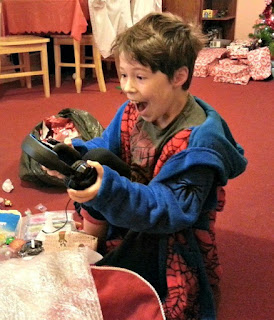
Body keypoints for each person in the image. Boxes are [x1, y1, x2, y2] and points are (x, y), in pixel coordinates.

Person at [49, 12, 248, 320]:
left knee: (140, 297)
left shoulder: (199, 146)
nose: (127, 87)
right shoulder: (133, 110)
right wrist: (74, 155)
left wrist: (110, 192)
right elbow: (106, 146)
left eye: (139, 77)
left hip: (169, 231)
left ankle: (106, 258)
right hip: (135, 202)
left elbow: (172, 211)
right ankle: (95, 245)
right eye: (123, 75)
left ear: (178, 77)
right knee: (96, 163)